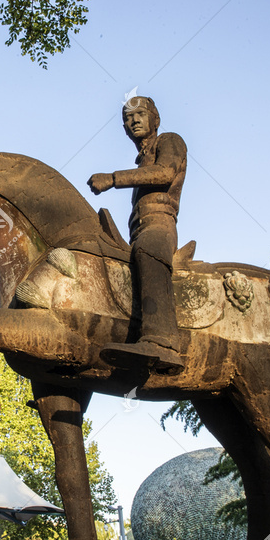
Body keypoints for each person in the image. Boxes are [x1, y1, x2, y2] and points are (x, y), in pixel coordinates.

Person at [87, 96, 187, 373]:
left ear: (155, 119)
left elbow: (165, 173)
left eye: (141, 113)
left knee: (147, 251)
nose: (134, 120)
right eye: (128, 118)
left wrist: (113, 178)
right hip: (137, 230)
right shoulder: (141, 159)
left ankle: (162, 342)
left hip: (158, 226)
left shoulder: (170, 140)